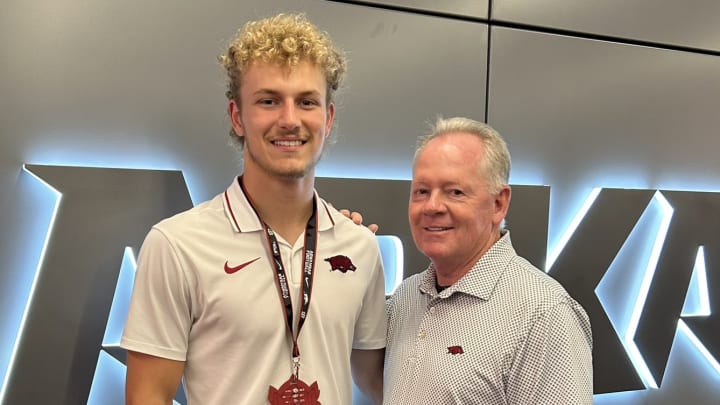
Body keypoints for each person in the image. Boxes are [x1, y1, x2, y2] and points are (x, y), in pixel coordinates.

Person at [121, 13, 386, 405]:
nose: (290, 119)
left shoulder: (360, 247)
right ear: (237, 116)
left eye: (307, 102)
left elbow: (381, 382)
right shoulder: (176, 245)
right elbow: (149, 396)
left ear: (327, 119)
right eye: (268, 101)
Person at [384, 117, 593, 404]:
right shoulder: (406, 298)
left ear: (499, 204)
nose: (432, 206)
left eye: (454, 192)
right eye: (421, 191)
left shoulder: (543, 313)